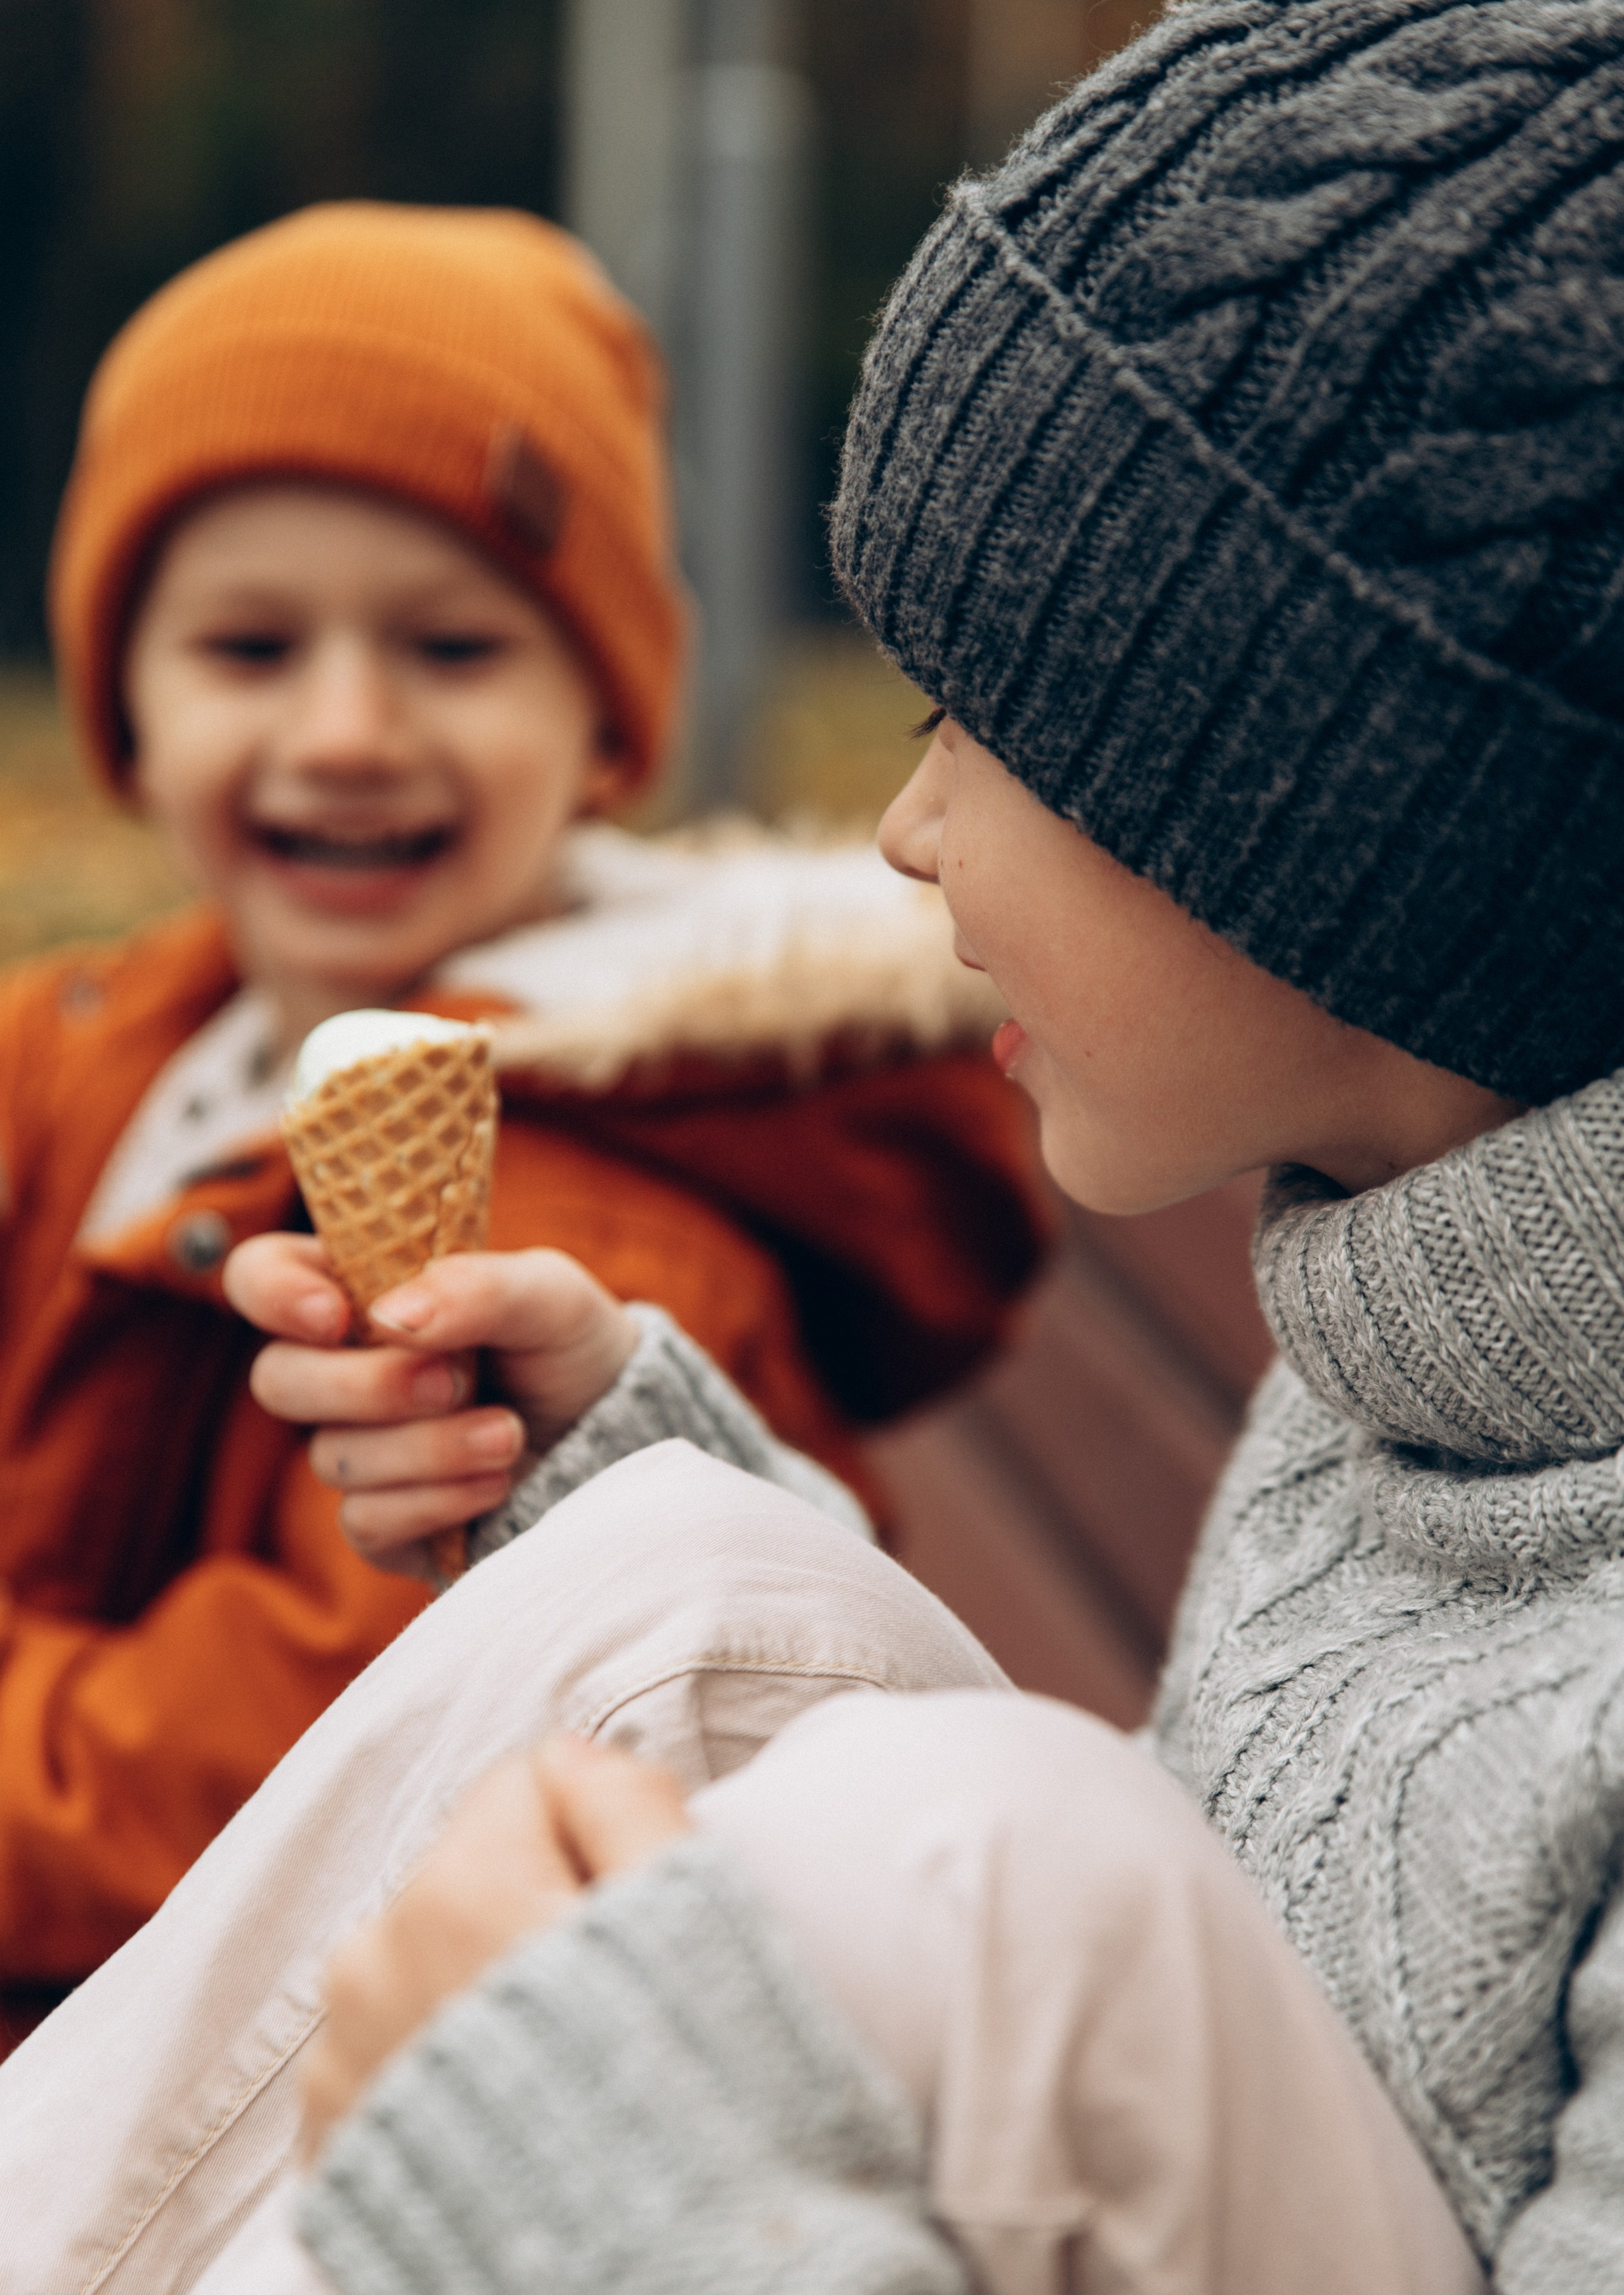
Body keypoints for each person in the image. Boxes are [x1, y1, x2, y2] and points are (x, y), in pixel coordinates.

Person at [8, 0, 1624, 2295]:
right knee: (679, 1564)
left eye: (988, 726)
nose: (907, 828)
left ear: (1341, 822)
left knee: (1018, 1848)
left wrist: (619, 2250)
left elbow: (1090, 1944)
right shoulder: (1402, 1347)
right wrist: (603, 1472)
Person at [0, 199, 1047, 2024]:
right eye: (250, 649)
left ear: (607, 726)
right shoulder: (106, 1045)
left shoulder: (563, 1253)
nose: (346, 729)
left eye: (454, 649)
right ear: (126, 714)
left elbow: (290, 1773)